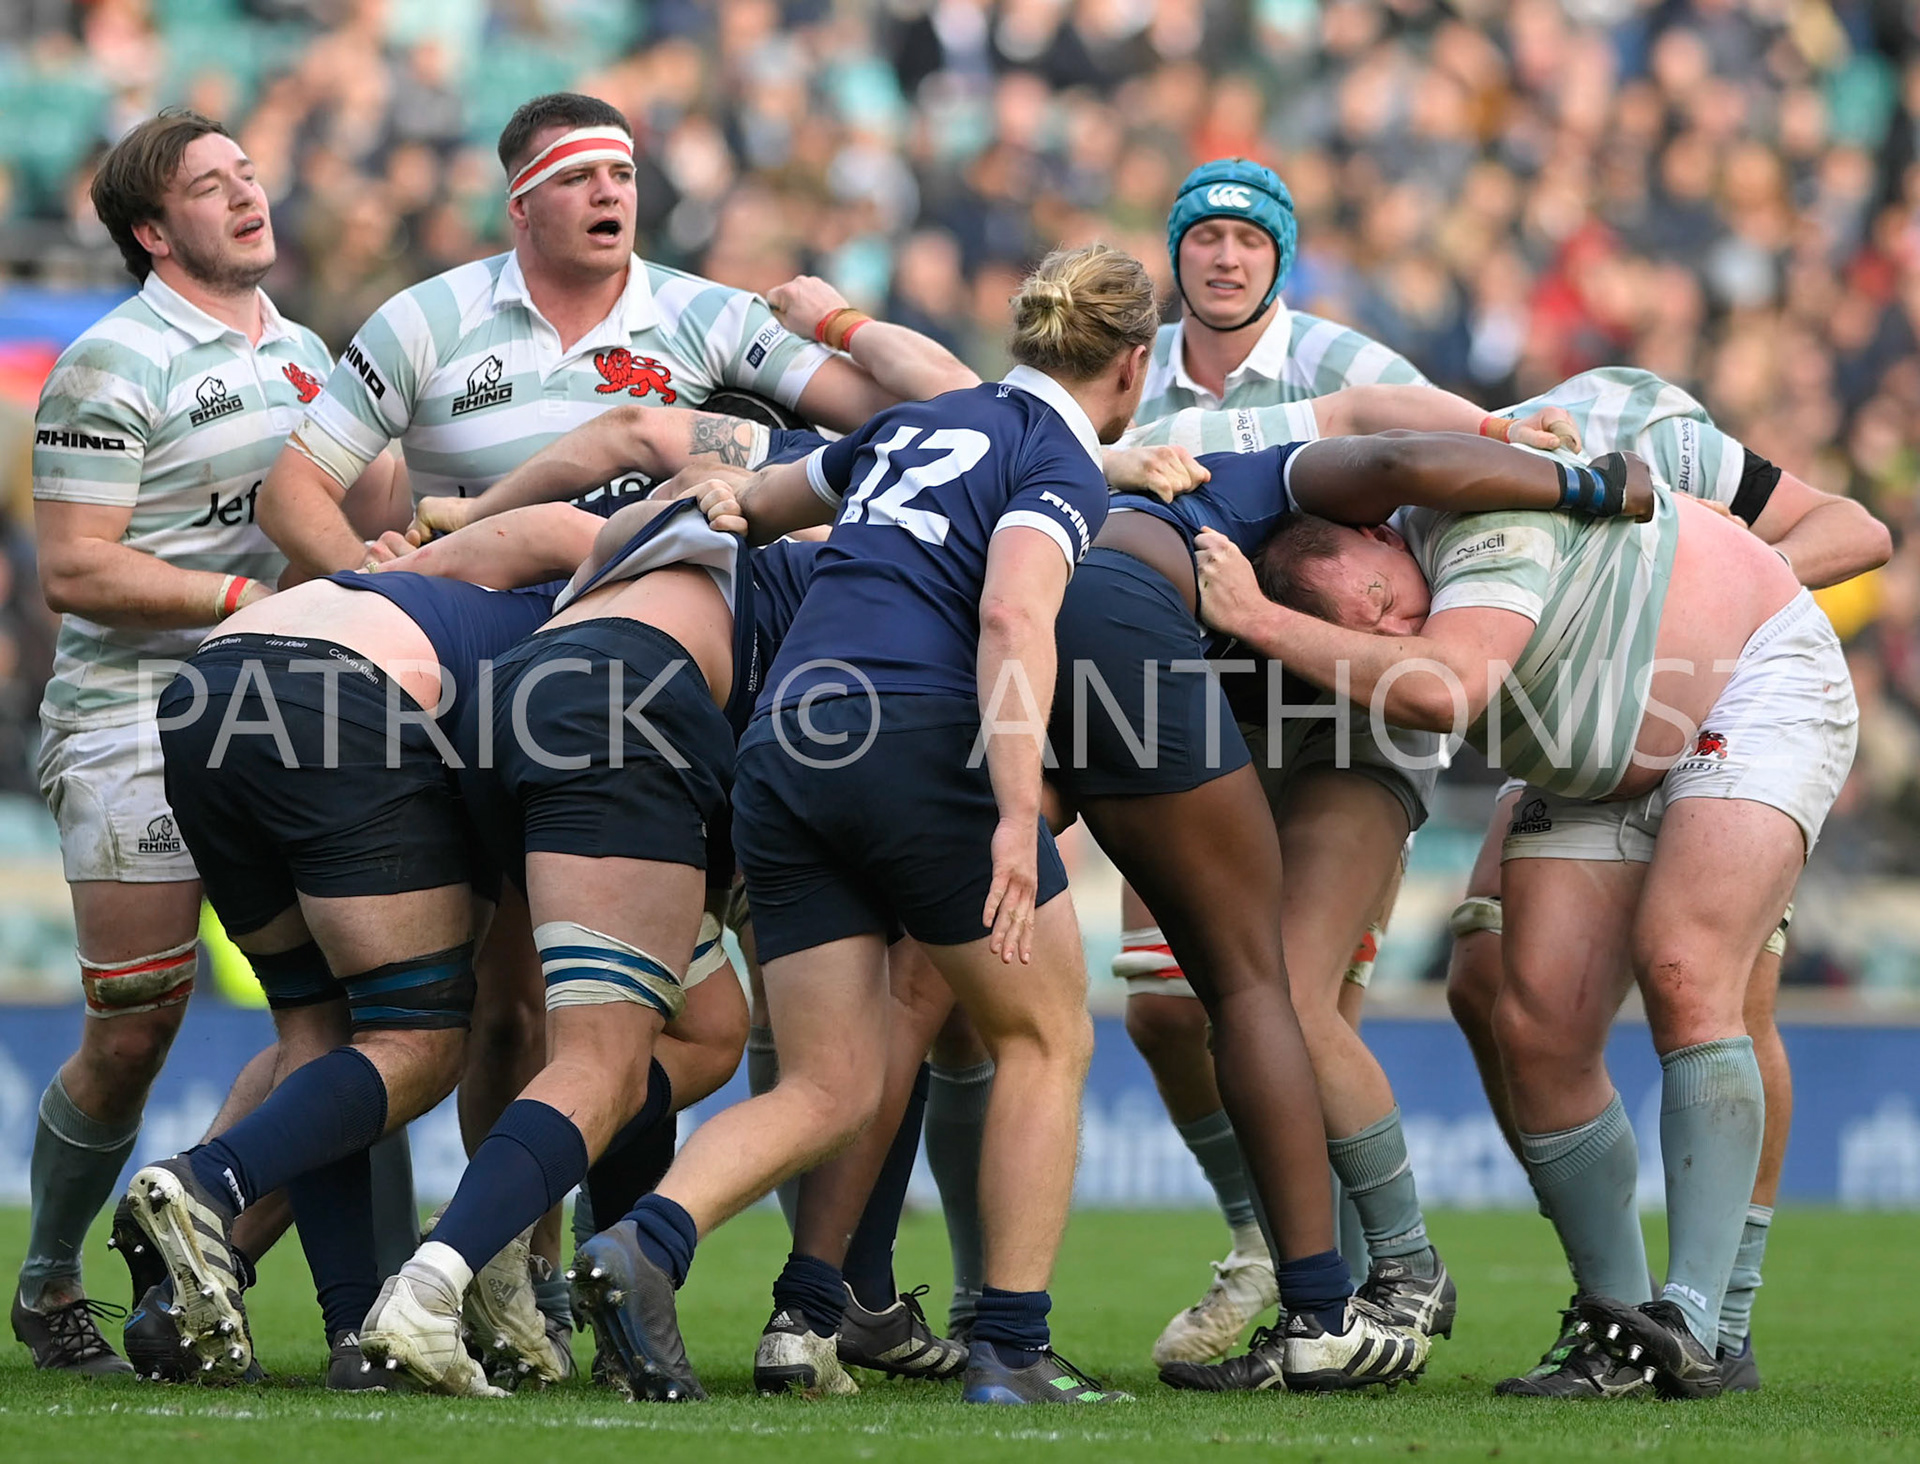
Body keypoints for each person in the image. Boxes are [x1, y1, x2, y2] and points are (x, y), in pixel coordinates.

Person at [568, 243, 1152, 1408]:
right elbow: (1012, 611)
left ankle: (641, 1246)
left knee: (828, 1084)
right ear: (1131, 367)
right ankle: (1015, 1351)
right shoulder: (1059, 460)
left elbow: (769, 501)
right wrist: (1011, 805)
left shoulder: (924, 423)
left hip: (788, 743)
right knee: (1047, 1039)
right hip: (916, 738)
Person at [1194, 469, 1861, 1401]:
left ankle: (1702, 1324)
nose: (1390, 634)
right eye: (1365, 633)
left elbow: (1446, 689)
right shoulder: (1420, 557)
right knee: (1534, 1027)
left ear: (1387, 535)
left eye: (1385, 604)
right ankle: (1618, 1328)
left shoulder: (1481, 523)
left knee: (1683, 965)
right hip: (1588, 753)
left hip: (1752, 681)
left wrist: (1259, 620)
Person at [1426, 368, 1890, 1397]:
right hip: (1589, 719)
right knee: (1504, 992)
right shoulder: (1431, 484)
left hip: (1731, 689)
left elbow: (1857, 531)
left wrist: (1715, 567)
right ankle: (1622, 1323)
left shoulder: (1649, 426)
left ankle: (1715, 1314)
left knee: (1700, 978)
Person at [13, 107, 386, 1375]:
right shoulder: (112, 361)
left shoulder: (310, 349)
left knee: (334, 1018)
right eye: (209, 185)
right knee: (135, 1027)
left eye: (248, 173)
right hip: (132, 714)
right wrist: (247, 602)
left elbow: (349, 513)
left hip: (278, 709)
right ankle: (54, 1279)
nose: (246, 195)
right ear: (150, 231)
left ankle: (197, 1261)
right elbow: (72, 567)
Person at [354, 493, 792, 1396]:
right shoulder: (831, 546)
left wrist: (448, 518)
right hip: (619, 713)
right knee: (602, 1061)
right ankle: (431, 1284)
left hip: (504, 705)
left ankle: (502, 1206)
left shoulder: (653, 523)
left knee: (710, 1024)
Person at [124, 566, 554, 1384]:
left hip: (205, 689)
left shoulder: (465, 578)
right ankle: (207, 1183)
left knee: (317, 1032)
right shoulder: (584, 631)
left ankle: (349, 1336)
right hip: (336, 700)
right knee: (421, 1038)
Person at [258, 97, 972, 581]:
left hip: (658, 630)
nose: (610, 193)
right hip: (461, 619)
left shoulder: (710, 313)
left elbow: (941, 412)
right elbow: (291, 494)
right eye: (577, 177)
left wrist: (837, 324)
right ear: (521, 208)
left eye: (622, 174)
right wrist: (369, 581)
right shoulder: (422, 317)